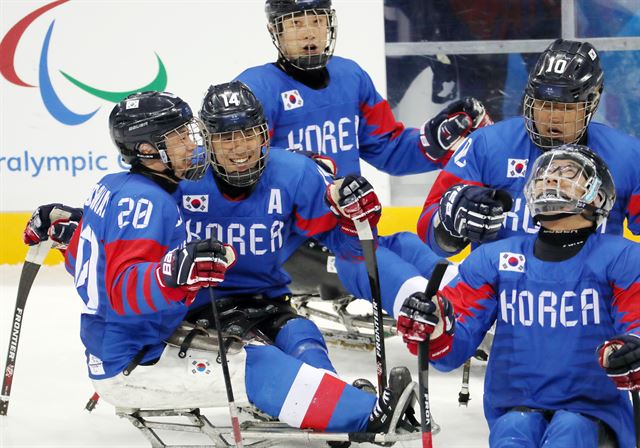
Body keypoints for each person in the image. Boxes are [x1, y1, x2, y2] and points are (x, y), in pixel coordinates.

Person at [176, 80, 418, 434]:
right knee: (260, 356)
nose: (238, 146)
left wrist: (355, 221)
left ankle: (336, 402)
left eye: (247, 133)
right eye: (225, 137)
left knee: (303, 334)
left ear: (264, 134)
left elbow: (345, 246)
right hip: (199, 307)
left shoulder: (294, 173)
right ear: (208, 142)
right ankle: (354, 411)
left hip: (266, 298)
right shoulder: (183, 179)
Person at [234, 0, 486, 321]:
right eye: (296, 23)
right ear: (275, 31)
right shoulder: (255, 88)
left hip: (348, 227)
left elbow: (388, 147)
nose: (309, 32)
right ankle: (439, 318)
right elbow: (240, 173)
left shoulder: (350, 76)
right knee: (375, 260)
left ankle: (473, 302)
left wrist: (434, 140)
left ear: (330, 25)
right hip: (289, 240)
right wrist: (303, 175)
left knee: (405, 245)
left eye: (316, 20)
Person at [398, 144, 640, 447]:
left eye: (567, 172)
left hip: (595, 414)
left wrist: (633, 347)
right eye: (546, 172)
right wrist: (434, 326)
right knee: (514, 429)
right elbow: (449, 349)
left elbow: (636, 321)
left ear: (599, 195)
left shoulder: (623, 258)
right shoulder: (494, 259)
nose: (551, 178)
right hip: (514, 408)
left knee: (570, 429)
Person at [23, 91, 240, 407]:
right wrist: (173, 275)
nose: (192, 143)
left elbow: (98, 263)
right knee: (262, 365)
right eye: (179, 137)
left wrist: (71, 237)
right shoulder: (148, 200)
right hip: (139, 351)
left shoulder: (112, 184)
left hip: (105, 347)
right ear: (147, 149)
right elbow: (121, 288)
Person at [418, 38, 640, 258]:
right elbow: (428, 230)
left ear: (593, 100)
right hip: (501, 289)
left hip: (592, 289)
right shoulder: (488, 145)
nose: (552, 117)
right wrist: (450, 224)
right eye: (543, 104)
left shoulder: (626, 156)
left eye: (565, 107)